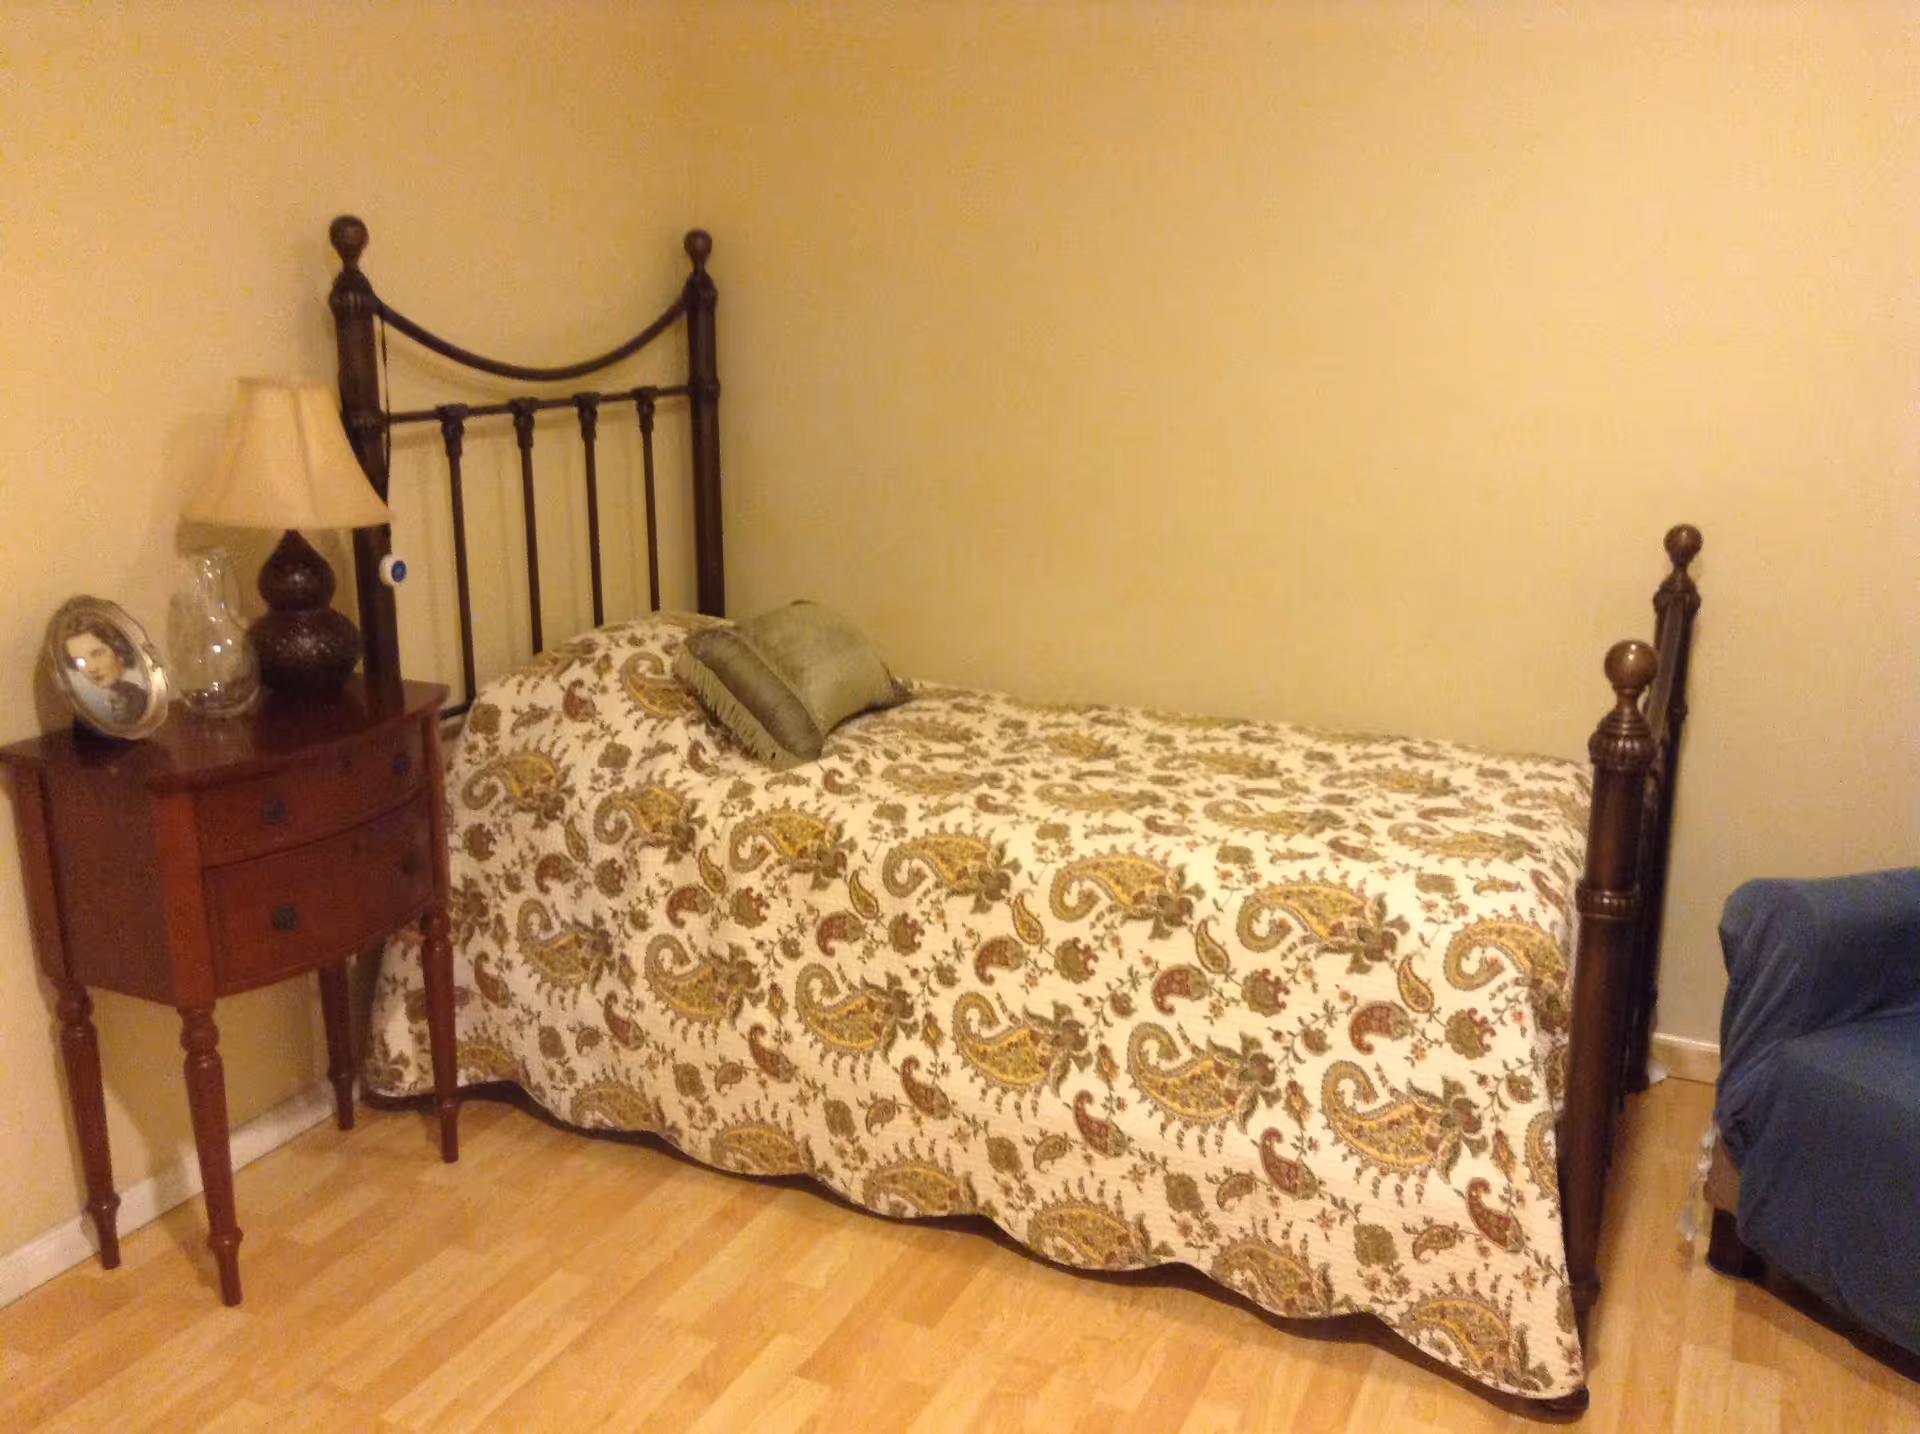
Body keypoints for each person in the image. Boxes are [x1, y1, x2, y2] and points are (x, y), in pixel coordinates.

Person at [63, 623, 148, 727]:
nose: (91, 668)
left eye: (98, 654)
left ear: (118, 649)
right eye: (80, 661)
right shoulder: (87, 704)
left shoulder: (142, 698)